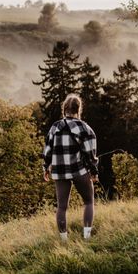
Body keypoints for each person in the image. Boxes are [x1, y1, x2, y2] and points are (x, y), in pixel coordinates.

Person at [42, 93, 99, 241]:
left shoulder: (55, 127)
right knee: (88, 202)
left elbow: (47, 150)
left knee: (62, 207)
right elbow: (90, 153)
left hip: (60, 172)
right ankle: (86, 237)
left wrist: (46, 167)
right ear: (78, 109)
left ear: (65, 108)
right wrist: (94, 172)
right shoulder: (85, 128)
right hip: (79, 170)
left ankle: (64, 240)